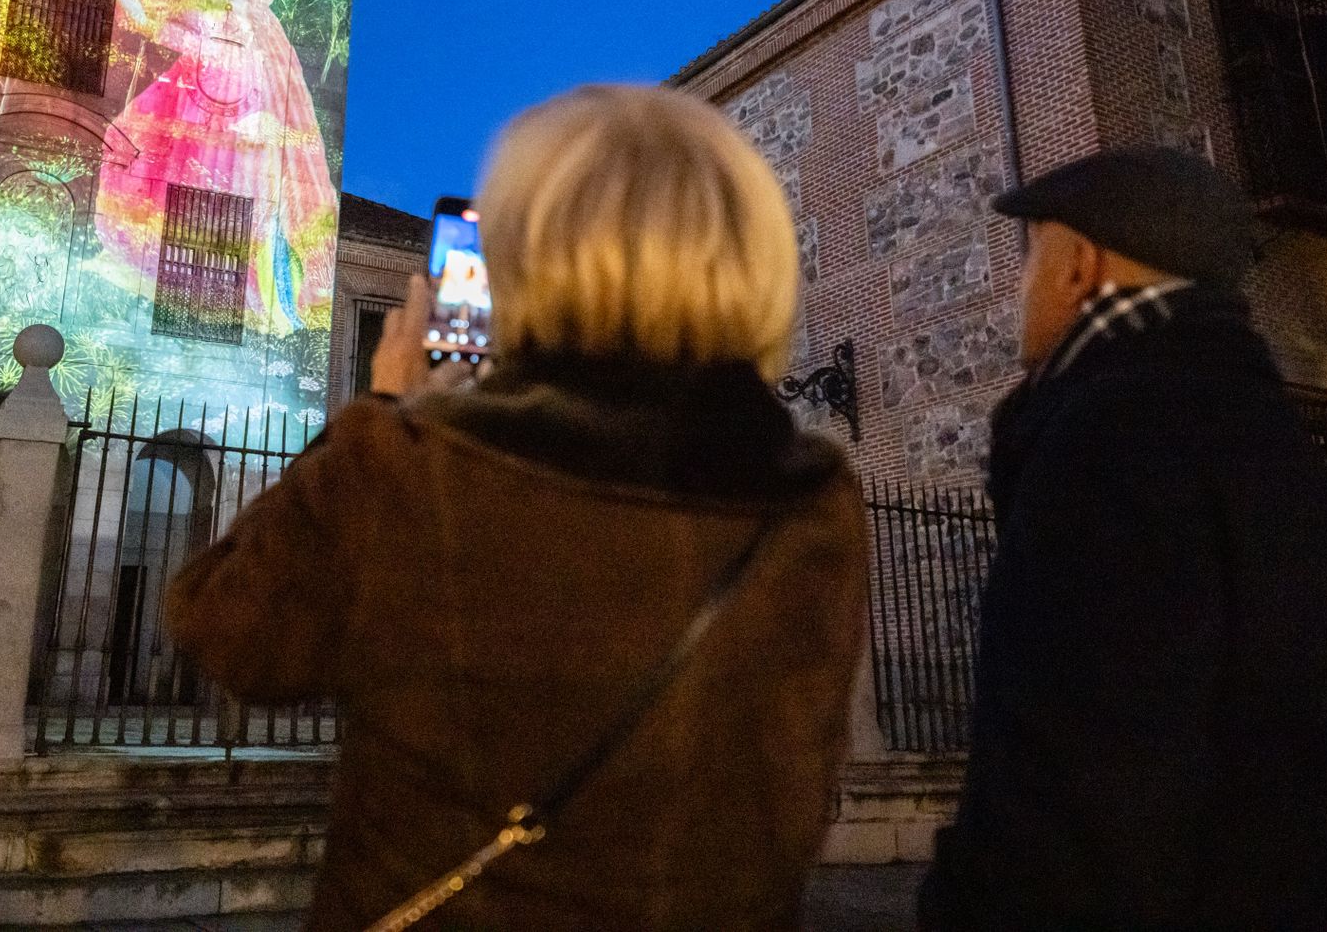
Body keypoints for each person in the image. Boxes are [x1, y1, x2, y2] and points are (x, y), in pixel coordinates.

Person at [166, 84, 867, 931]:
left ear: (523, 260)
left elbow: (230, 631)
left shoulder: (411, 471)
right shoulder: (815, 504)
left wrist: (385, 404)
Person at [917, 146, 1327, 932]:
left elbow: (1078, 779)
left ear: (1079, 266)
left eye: (1031, 260)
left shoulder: (1109, 437)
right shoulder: (1268, 434)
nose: (1020, 289)